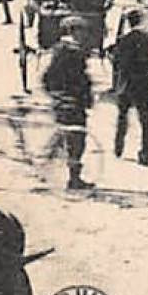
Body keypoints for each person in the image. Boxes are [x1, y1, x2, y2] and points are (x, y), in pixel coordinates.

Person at [42, 16, 96, 190]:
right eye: (81, 30)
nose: (85, 34)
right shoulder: (68, 50)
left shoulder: (66, 49)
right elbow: (50, 78)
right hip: (70, 101)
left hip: (72, 100)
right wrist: (63, 95)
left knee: (71, 138)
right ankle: (73, 178)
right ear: (72, 31)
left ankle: (64, 173)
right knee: (76, 140)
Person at [109, 7, 148, 166]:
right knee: (145, 120)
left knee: (122, 116)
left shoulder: (122, 40)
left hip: (126, 83)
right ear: (141, 21)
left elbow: (116, 62)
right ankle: (145, 153)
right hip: (145, 84)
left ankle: (118, 146)